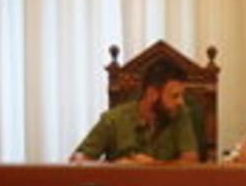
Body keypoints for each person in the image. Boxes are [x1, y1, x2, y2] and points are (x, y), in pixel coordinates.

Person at [71, 59, 199, 163]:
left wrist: (152, 166)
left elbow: (190, 161)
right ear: (152, 93)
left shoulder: (180, 113)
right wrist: (115, 168)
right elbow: (77, 160)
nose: (181, 102)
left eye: (182, 95)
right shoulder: (113, 119)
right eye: (175, 96)